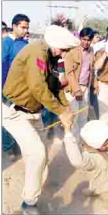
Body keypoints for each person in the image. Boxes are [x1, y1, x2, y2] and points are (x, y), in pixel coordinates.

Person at [2, 25, 79, 214]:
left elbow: (53, 85)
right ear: (55, 44)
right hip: (15, 113)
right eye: (63, 50)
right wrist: (60, 111)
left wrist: (66, 108)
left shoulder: (51, 57)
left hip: (33, 113)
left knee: (41, 154)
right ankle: (29, 203)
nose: (63, 55)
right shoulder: (37, 52)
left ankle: (33, 189)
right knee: (36, 154)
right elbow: (38, 87)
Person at [2, 14, 30, 158]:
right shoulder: (6, 42)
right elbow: (3, 66)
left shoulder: (25, 44)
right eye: (22, 27)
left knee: (21, 118)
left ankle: (17, 146)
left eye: (27, 28)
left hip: (23, 90)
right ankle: (8, 148)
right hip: (8, 88)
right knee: (7, 119)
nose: (25, 30)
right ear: (14, 26)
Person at [64, 27, 95, 142]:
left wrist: (94, 85)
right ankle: (71, 142)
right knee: (73, 117)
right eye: (84, 39)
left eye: (88, 40)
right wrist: (77, 90)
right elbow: (69, 73)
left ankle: (81, 142)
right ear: (80, 38)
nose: (86, 42)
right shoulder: (72, 52)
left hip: (85, 87)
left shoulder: (91, 51)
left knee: (83, 116)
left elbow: (92, 69)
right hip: (73, 88)